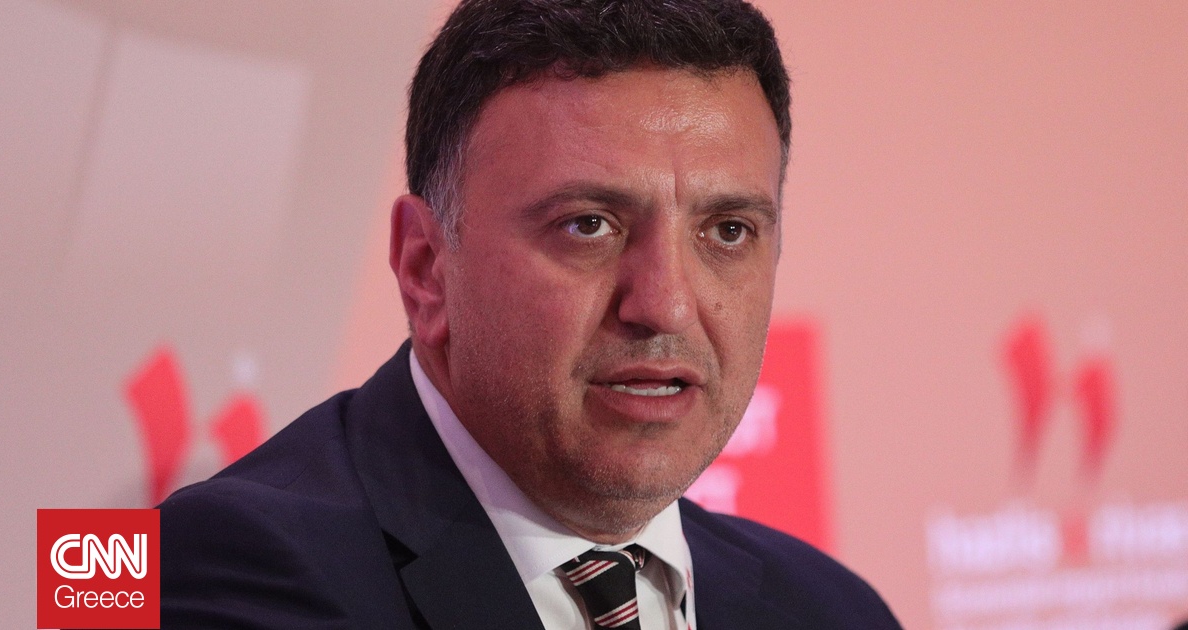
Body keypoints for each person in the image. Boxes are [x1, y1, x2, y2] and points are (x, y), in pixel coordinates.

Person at [159, 0, 903, 628]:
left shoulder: (834, 610)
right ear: (425, 267)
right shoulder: (193, 564)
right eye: (589, 225)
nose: (666, 304)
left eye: (728, 231)